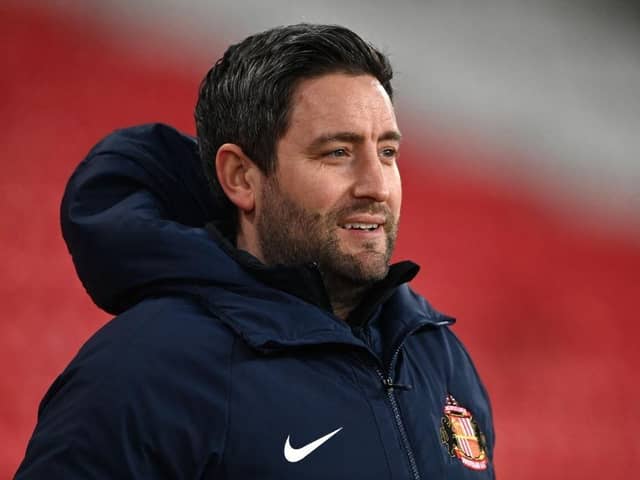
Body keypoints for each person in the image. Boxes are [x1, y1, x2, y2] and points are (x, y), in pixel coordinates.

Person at [16, 24, 495, 479]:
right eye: (337, 153)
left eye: (387, 152)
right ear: (242, 178)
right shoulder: (144, 373)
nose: (377, 186)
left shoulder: (435, 351)